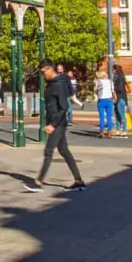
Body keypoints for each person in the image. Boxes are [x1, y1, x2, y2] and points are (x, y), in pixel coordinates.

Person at [26, 60, 86, 193]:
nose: (43, 75)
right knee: (64, 151)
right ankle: (79, 181)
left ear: (50, 69)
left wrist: (52, 125)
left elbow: (63, 107)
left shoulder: (58, 85)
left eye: (43, 72)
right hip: (55, 121)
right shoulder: (51, 84)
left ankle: (38, 182)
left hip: (58, 123)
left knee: (48, 151)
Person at [95, 61, 117, 139]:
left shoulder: (98, 82)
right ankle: (109, 133)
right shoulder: (110, 82)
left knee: (101, 117)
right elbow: (113, 91)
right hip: (109, 100)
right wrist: (115, 98)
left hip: (101, 100)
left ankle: (101, 132)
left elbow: (96, 90)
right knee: (109, 117)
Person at [112, 62, 131, 136]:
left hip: (119, 97)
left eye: (113, 70)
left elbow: (119, 88)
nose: (112, 72)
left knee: (120, 114)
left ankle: (123, 129)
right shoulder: (121, 76)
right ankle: (119, 129)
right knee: (119, 114)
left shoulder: (117, 77)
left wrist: (113, 88)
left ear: (115, 70)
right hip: (121, 97)